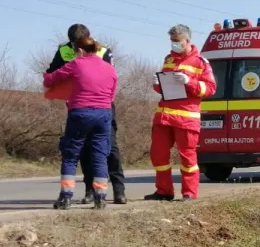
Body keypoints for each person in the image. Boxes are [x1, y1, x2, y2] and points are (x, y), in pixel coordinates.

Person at [45, 23, 128, 204]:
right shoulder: (63, 51)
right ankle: (92, 191)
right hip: (86, 106)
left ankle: (119, 190)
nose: (75, 48)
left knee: (109, 148)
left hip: (97, 106)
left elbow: (49, 78)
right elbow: (52, 73)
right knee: (85, 150)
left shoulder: (104, 51)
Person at [145, 24, 217, 202]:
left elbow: (210, 88)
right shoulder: (169, 59)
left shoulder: (200, 62)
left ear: (187, 40)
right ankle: (164, 191)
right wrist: (157, 83)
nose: (173, 44)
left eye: (176, 41)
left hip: (186, 118)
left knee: (188, 157)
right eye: (171, 41)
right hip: (164, 116)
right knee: (158, 155)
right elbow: (164, 89)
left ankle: (189, 193)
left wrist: (189, 81)